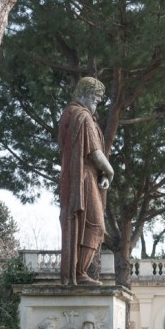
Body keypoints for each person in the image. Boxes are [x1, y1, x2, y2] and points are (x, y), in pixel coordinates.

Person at [58, 77, 114, 286]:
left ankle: (78, 271)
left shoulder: (70, 114)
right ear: (87, 94)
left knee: (87, 225)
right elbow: (95, 153)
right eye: (97, 99)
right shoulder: (82, 116)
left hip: (77, 176)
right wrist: (110, 171)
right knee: (96, 225)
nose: (96, 104)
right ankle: (79, 272)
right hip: (83, 178)